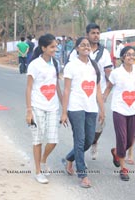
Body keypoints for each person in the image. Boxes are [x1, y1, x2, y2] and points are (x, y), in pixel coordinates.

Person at [60, 37, 105, 188]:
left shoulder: (94, 67)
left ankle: (69, 158)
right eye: (83, 45)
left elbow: (97, 90)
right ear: (77, 48)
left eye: (88, 45)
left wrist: (102, 110)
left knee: (89, 140)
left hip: (91, 108)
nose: (86, 47)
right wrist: (64, 112)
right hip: (75, 107)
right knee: (79, 140)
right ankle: (83, 175)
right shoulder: (71, 66)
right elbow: (66, 90)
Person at [69, 23, 113, 160]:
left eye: (98, 33)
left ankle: (94, 142)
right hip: (79, 96)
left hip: (97, 94)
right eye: (93, 33)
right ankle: (77, 159)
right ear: (87, 34)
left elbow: (108, 75)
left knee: (99, 126)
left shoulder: (104, 53)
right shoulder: (75, 52)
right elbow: (70, 75)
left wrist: (105, 94)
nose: (96, 35)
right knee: (79, 133)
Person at [103, 46, 135, 181]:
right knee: (122, 139)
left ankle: (116, 152)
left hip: (133, 110)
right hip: (119, 110)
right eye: (128, 55)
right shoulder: (116, 73)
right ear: (122, 57)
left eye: (133, 55)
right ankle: (123, 169)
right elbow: (109, 87)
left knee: (129, 140)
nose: (131, 57)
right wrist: (102, 101)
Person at [25, 33, 62, 184]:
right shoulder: (34, 65)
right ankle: (38, 171)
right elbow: (28, 88)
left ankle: (43, 160)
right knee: (38, 139)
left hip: (53, 107)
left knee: (53, 140)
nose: (55, 49)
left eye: (56, 46)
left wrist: (64, 107)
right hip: (37, 106)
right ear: (43, 48)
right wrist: (29, 111)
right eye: (52, 47)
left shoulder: (56, 63)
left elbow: (56, 86)